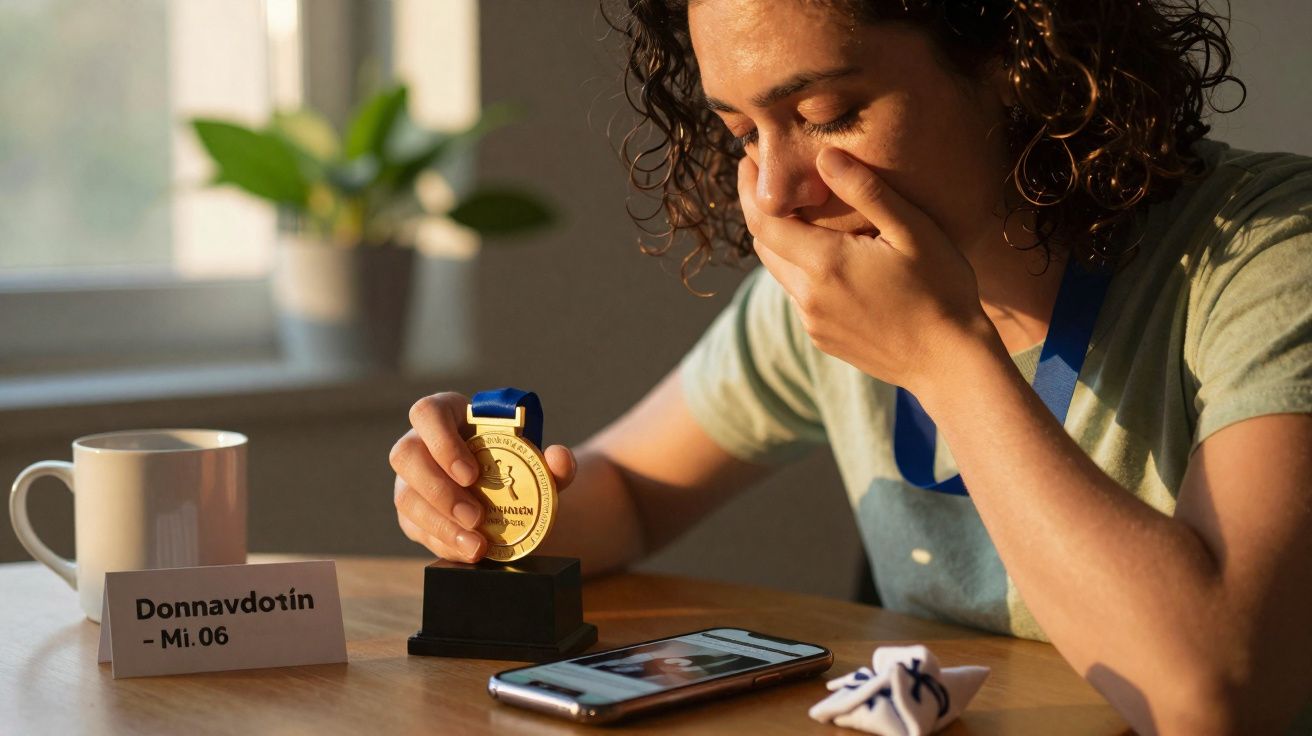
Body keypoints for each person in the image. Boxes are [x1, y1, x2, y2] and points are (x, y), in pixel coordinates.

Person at [389, 1, 1312, 732]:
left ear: (1018, 52)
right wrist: (478, 495)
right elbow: (628, 492)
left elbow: (1216, 695)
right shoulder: (831, 282)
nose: (777, 191)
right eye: (743, 133)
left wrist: (943, 358)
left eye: (827, 116)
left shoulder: (1269, 255)